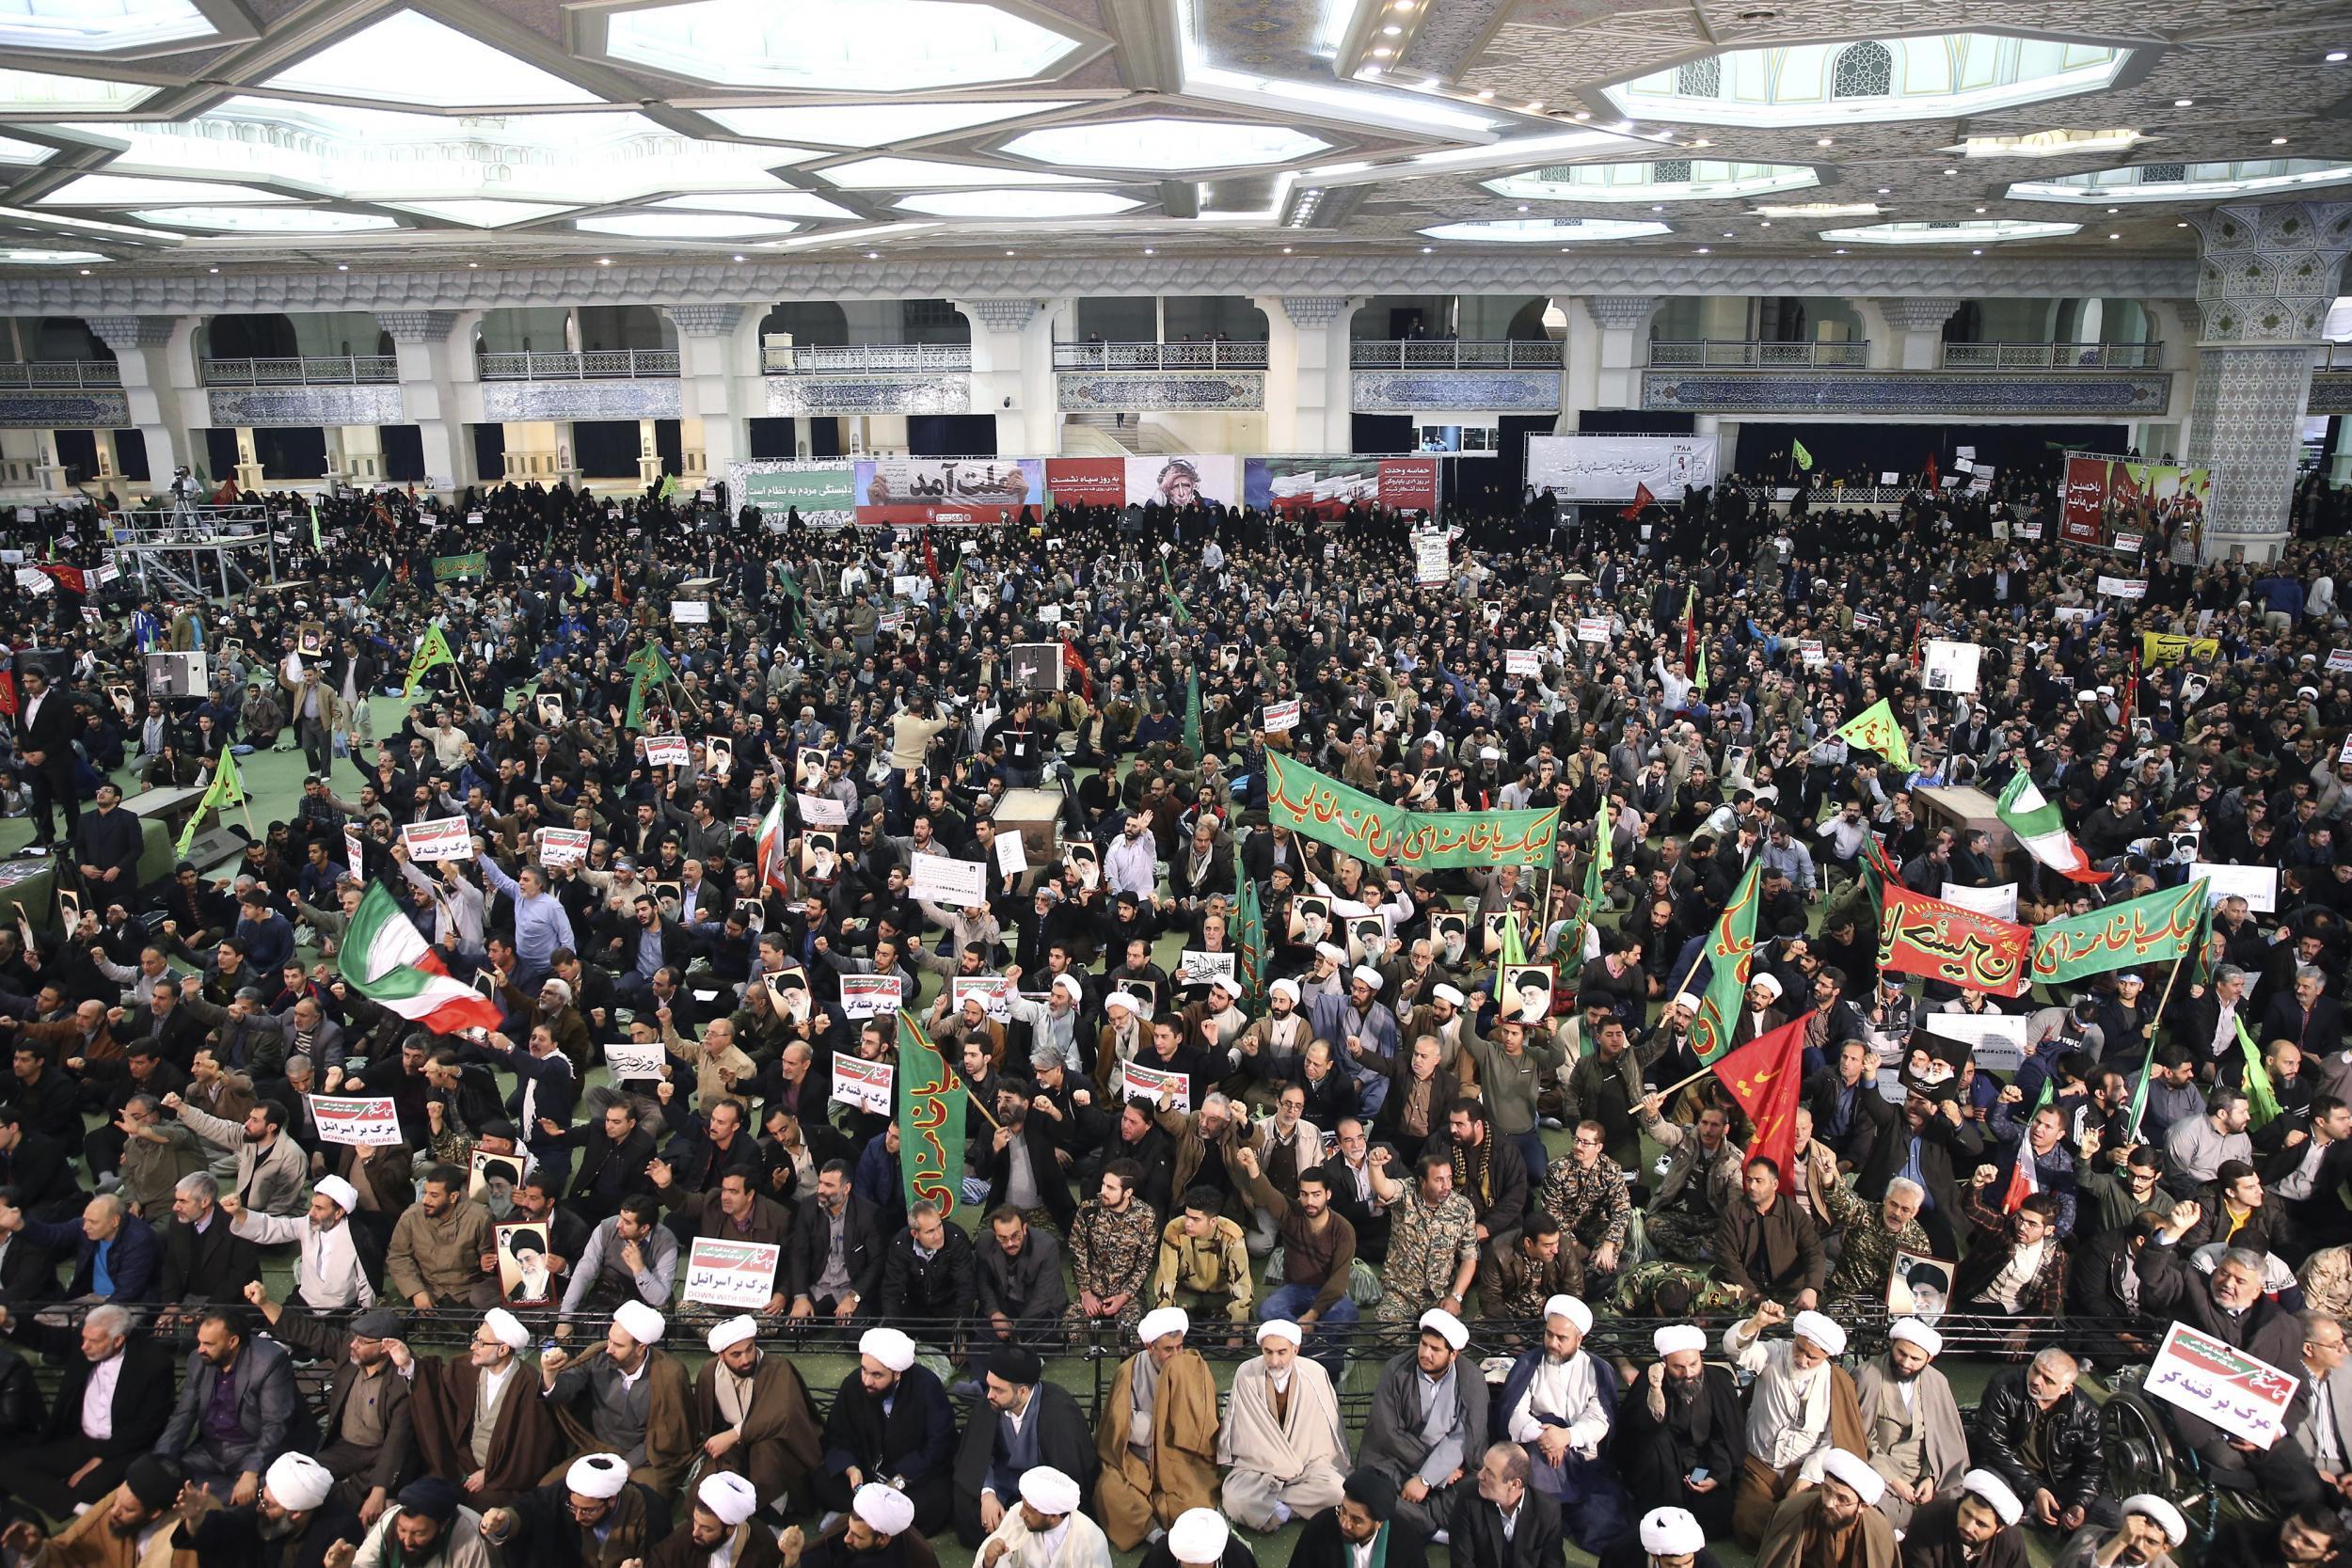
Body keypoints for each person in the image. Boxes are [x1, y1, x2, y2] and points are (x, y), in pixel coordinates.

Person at [0, 1301, 175, 1521]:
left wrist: (101, 1457)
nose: (84, 1346)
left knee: (89, 1486)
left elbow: (147, 1427)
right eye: (83, 1338)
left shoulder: (154, 1364)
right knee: (7, 1466)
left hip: (124, 1446)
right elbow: (45, 1337)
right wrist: (8, 1321)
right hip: (81, 1440)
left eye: (92, 1341)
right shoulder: (83, 1344)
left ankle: (66, 1497)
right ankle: (76, 1507)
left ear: (118, 1340)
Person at [1491, 1293, 1628, 1550]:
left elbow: (1600, 1418)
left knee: (1603, 1520)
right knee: (1536, 1468)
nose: (1552, 1343)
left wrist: (1566, 1437)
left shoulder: (1597, 1369)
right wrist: (1544, 1437)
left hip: (1581, 1457)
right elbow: (1514, 1411)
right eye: (1549, 1334)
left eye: (1561, 1338)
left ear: (1579, 1339)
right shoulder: (1529, 1363)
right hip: (1539, 1451)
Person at [1723, 1304, 1865, 1547]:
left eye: (1813, 1357)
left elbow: (1833, 1438)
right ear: (1795, 1339)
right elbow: (1737, 1350)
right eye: (1799, 1349)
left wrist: (1806, 1477)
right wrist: (1756, 1322)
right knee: (1747, 1523)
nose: (1802, 1360)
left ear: (1827, 1356)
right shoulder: (1774, 1353)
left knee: (1813, 1520)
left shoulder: (1836, 1381)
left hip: (1802, 1468)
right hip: (1760, 1465)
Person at [395, 1308, 563, 1509]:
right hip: (463, 1463)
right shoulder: (466, 1368)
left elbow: (531, 1448)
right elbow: (435, 1386)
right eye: (475, 1338)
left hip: (503, 1475)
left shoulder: (527, 1383)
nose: (473, 1346)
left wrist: (489, 1473)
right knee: (428, 1494)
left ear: (502, 1350)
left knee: (486, 1505)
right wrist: (408, 1364)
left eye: (481, 1343)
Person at [538, 1300, 698, 1497]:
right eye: (610, 1340)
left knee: (638, 1497)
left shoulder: (670, 1374)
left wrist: (628, 1465)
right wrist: (550, 1374)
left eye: (618, 1345)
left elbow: (668, 1436)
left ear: (641, 1348)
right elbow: (565, 1389)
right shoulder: (598, 1356)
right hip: (598, 1450)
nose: (609, 1348)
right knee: (549, 1489)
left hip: (648, 1458)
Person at [1093, 1307, 1219, 1550]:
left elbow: (1200, 1425)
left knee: (1197, 1501)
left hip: (1180, 1459)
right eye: (1168, 1349)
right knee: (1109, 1492)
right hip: (1137, 1461)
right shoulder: (1128, 1372)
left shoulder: (1193, 1368)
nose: (1176, 1355)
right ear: (1149, 1347)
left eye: (1179, 1347)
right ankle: (1153, 1533)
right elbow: (1121, 1425)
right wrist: (1166, 1425)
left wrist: (1156, 1425)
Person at [1359, 1308, 1487, 1541]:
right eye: (1423, 1344)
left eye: (1436, 1349)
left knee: (1478, 1490)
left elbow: (1466, 1436)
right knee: (1371, 1489)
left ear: (1453, 1354)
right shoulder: (1396, 1370)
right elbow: (1388, 1432)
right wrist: (1433, 1473)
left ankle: (1415, 1520)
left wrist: (1427, 1478)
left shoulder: (1473, 1379)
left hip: (1453, 1469)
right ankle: (1434, 1528)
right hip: (1397, 1460)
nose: (1425, 1353)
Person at [812, 1327, 954, 1536]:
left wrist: (898, 1480)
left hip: (908, 1478)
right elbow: (837, 1435)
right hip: (866, 1472)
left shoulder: (927, 1387)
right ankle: (869, 1521)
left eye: (877, 1375)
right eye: (864, 1370)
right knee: (822, 1479)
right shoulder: (854, 1384)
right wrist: (851, 1469)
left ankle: (853, 1518)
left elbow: (938, 1445)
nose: (867, 1380)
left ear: (897, 1374)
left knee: (936, 1501)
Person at [950, 1344, 1095, 1547]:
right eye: (989, 1386)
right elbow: (977, 1456)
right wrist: (988, 1495)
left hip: (1042, 1487)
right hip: (1003, 1481)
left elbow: (1069, 1473)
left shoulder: (1059, 1411)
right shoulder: (991, 1402)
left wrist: (1025, 1509)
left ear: (1023, 1391)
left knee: (1057, 1523)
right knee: (967, 1505)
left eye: (998, 1389)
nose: (989, 1394)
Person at [1613, 1324, 1747, 1538]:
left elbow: (1726, 1435)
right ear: (1665, 1363)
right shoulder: (1648, 1383)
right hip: (1661, 1470)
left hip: (1704, 1463)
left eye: (1693, 1364)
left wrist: (1717, 1475)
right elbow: (1637, 1434)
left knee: (1715, 1519)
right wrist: (1655, 1392)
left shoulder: (1718, 1383)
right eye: (1678, 1367)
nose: (1688, 1374)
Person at [153, 1307, 299, 1501]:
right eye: (199, 1342)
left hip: (253, 1447)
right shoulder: (198, 1360)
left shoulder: (268, 1361)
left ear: (232, 1342)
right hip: (208, 1449)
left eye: (208, 1344)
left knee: (252, 1495)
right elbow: (183, 1415)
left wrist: (251, 1471)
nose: (200, 1349)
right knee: (164, 1483)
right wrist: (159, 1462)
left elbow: (275, 1424)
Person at [1216, 1319, 1348, 1532]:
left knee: (1337, 1493)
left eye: (1281, 1352)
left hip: (1306, 1467)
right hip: (1260, 1469)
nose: (1274, 1360)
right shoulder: (1246, 1373)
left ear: (1295, 1350)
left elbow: (1326, 1432)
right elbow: (1243, 1433)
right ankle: (1297, 1507)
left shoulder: (1315, 1373)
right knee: (1234, 1500)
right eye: (1268, 1352)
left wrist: (1294, 1467)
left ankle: (1278, 1509)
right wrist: (1278, 1465)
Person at [691, 1318, 822, 1513]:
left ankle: (771, 1520)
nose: (745, 1359)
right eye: (736, 1354)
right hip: (734, 1448)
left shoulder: (777, 1368)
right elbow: (710, 1422)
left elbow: (782, 1416)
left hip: (775, 1444)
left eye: (749, 1349)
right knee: (703, 1494)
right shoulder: (710, 1373)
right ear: (721, 1356)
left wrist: (736, 1434)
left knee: (766, 1458)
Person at [1969, 1348, 2106, 1532]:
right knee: (1987, 1495)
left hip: (2055, 1479)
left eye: (2048, 1380)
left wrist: (2080, 1503)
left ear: (2066, 1388)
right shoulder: (2004, 1385)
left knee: (2109, 1515)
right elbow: (1993, 1444)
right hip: (2007, 1468)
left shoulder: (2087, 1412)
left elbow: (2092, 1467)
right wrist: (2035, 1490)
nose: (2035, 1380)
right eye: (2035, 1369)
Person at [1848, 1318, 1967, 1527]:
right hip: (1878, 1469)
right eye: (1901, 1353)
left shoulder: (1937, 1382)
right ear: (1892, 1344)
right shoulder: (1867, 1376)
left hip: (1925, 1472)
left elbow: (1945, 1440)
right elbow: (1857, 1436)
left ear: (1929, 1360)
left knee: (1958, 1514)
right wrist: (1894, 1480)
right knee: (1872, 1513)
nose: (1905, 1363)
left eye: (1915, 1359)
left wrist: (1931, 1478)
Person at [171, 1450, 360, 1568]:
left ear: (296, 1513)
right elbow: (224, 1526)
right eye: (262, 1496)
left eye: (268, 1504)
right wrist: (196, 1521)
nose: (260, 1508)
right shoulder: (260, 1512)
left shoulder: (341, 1529)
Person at [478, 1452, 671, 1568]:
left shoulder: (649, 1509)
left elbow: (660, 1559)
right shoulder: (565, 1492)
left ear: (611, 1499)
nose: (577, 1516)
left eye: (587, 1510)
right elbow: (529, 1509)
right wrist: (505, 1522)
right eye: (573, 1507)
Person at [0, 1454, 194, 1568]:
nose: (114, 1511)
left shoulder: (189, 1541)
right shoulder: (112, 1508)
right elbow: (68, 1551)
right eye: (117, 1501)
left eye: (127, 1509)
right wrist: (35, 1552)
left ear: (155, 1514)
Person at [1752, 1449, 1898, 1568]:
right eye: (1827, 1490)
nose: (1829, 1503)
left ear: (1862, 1507)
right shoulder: (1791, 1512)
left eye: (1842, 1499)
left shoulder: (1879, 1530)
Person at [1448, 1441, 1565, 1568]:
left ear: (1514, 1484)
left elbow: (1553, 1563)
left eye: (1489, 1472)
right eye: (1484, 1466)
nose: (1480, 1475)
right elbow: (1462, 1562)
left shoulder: (1547, 1510)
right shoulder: (1467, 1498)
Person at [974, 1466, 1111, 1568]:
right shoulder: (1018, 1515)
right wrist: (989, 1561)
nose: (1021, 1513)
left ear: (1053, 1516)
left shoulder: (1091, 1540)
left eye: (1029, 1509)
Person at [778, 1481, 940, 1568]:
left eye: (857, 1536)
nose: (847, 1538)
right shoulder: (846, 1528)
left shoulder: (917, 1556)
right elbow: (817, 1558)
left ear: (882, 1539)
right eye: (850, 1530)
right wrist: (792, 1557)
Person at [1293, 1467, 1431, 1568]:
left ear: (1379, 1523)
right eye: (1343, 1511)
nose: (1345, 1523)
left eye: (1356, 1520)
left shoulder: (1405, 1539)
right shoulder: (1319, 1527)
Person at [643, 1472, 782, 1568]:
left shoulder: (761, 1546)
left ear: (730, 1529)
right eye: (696, 1522)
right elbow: (659, 1560)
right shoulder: (688, 1534)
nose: (695, 1532)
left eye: (706, 1529)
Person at [1900, 1471, 2029, 1568]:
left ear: (1999, 1528)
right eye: (1966, 1513)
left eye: (1981, 1524)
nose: (1968, 1527)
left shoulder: (2011, 1543)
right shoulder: (1928, 1517)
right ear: (1960, 1502)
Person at [2051, 1495, 2185, 1568]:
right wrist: (2121, 1540)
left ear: (2165, 1548)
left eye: (2151, 1542)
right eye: (2133, 1535)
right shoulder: (2088, 1537)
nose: (2138, 1546)